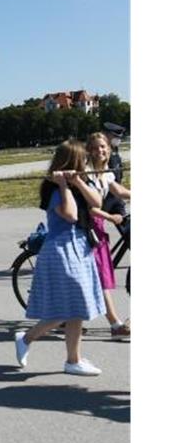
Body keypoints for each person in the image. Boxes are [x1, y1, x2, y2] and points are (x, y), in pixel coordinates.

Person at [13, 140, 106, 376]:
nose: (86, 162)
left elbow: (97, 202)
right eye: (83, 159)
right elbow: (71, 215)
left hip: (80, 247)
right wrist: (63, 184)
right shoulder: (52, 188)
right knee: (67, 308)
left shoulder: (80, 182)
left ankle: (72, 360)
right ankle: (27, 338)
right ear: (73, 161)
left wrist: (76, 182)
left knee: (77, 308)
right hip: (61, 250)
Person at [85, 132, 132, 337]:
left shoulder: (105, 173)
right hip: (85, 229)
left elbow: (119, 191)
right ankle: (115, 325)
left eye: (103, 147)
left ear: (109, 149)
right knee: (100, 277)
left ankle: (64, 319)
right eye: (95, 147)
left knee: (97, 276)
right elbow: (88, 208)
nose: (100, 151)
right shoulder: (85, 173)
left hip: (98, 228)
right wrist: (111, 217)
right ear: (88, 150)